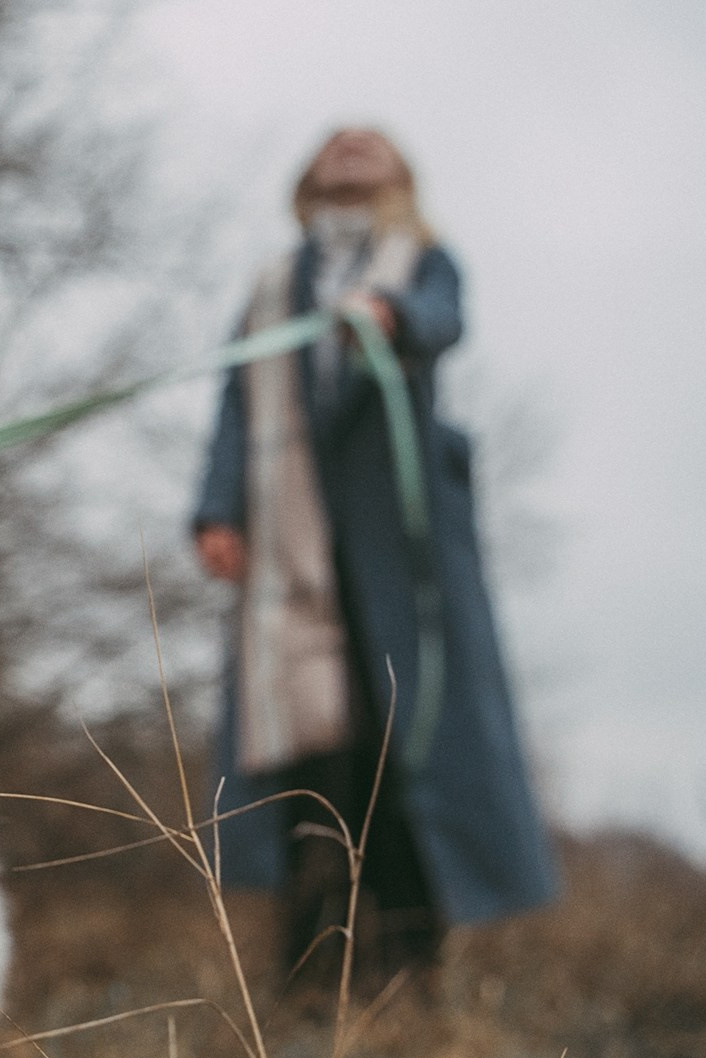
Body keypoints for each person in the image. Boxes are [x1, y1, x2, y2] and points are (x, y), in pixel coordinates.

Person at [192, 128, 559, 993]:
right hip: (294, 555)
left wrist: (394, 318)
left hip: (402, 552)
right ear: (308, 172)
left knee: (410, 744)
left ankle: (409, 969)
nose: (353, 145)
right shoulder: (274, 286)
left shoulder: (425, 260)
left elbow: (445, 321)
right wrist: (215, 509)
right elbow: (235, 403)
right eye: (336, 141)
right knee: (308, 750)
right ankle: (314, 970)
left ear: (401, 175)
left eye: (373, 142)